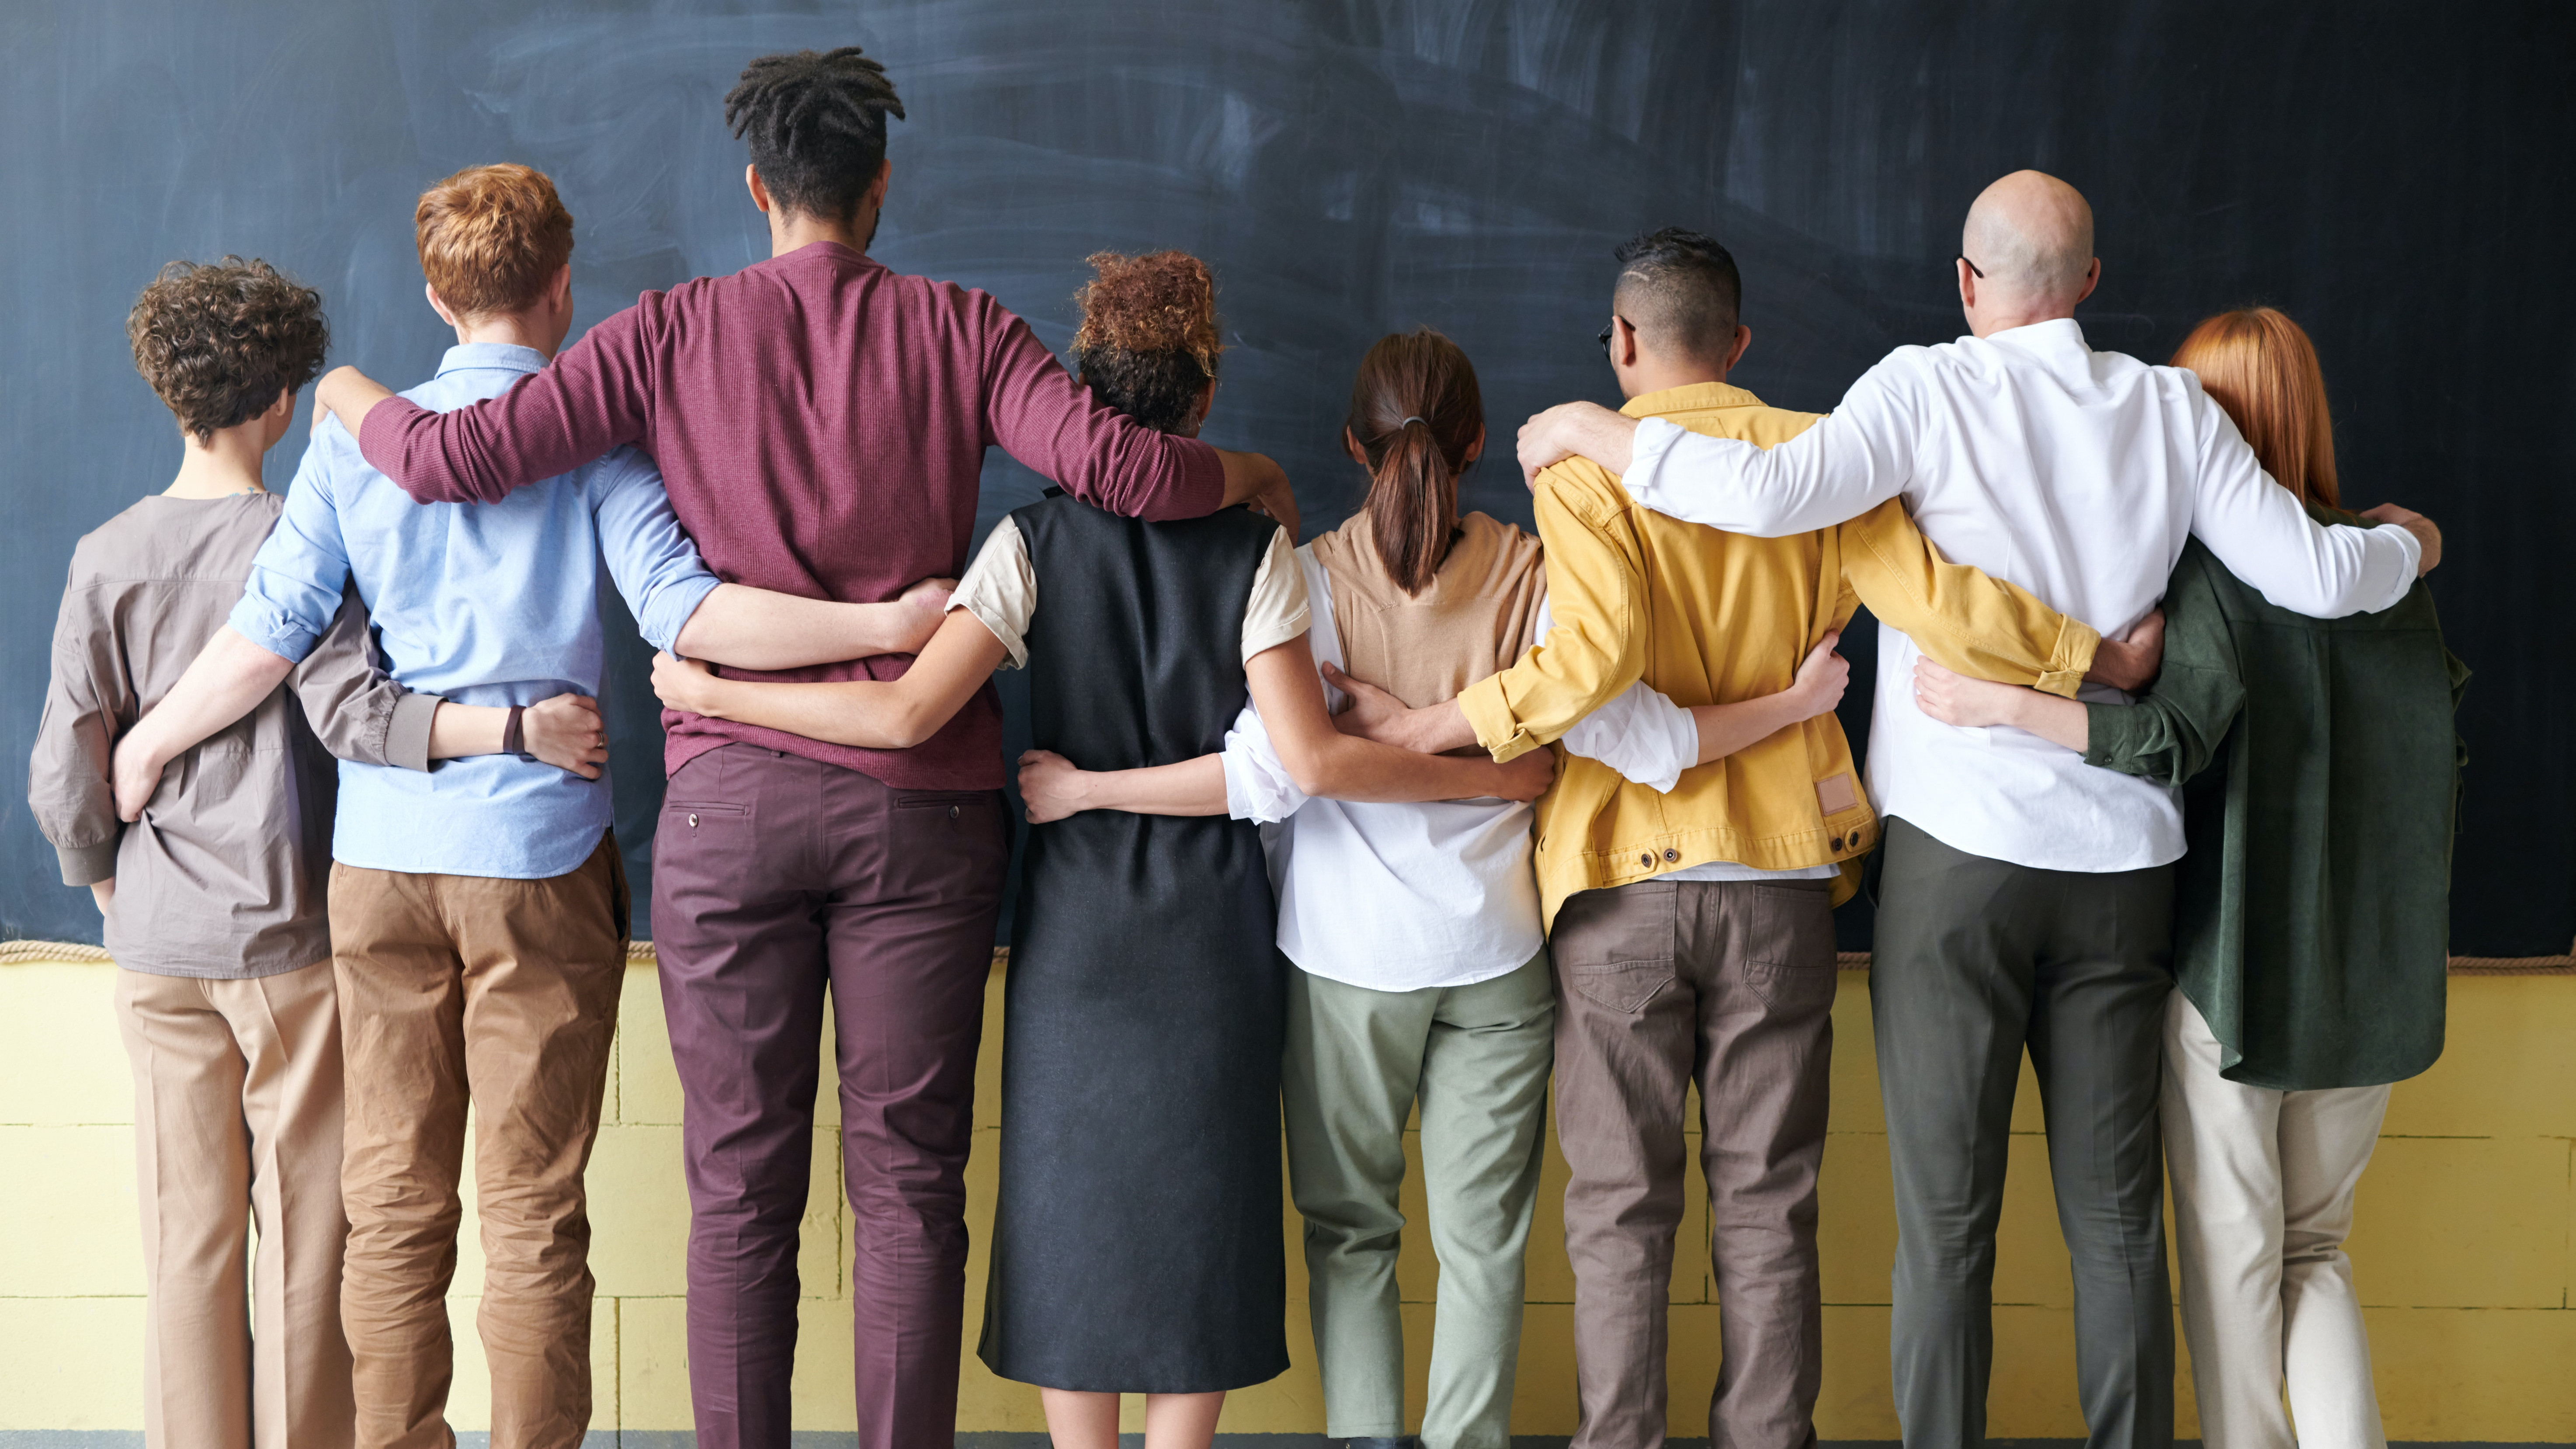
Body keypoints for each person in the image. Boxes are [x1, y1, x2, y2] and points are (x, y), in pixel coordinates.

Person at [308, 53, 1298, 1449]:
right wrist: (1249, 477)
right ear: (878, 189)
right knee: (908, 1187)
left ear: (758, 190)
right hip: (922, 819)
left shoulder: (667, 332)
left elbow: (457, 461)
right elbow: (1125, 473)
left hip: (728, 810)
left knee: (737, 1190)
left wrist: (349, 388)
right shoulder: (962, 329)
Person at [1511, 176, 2441, 1449]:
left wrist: (1598, 431)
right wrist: (2407, 546)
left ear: (1964, 282)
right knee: (2115, 1220)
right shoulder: (2170, 409)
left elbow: (1773, 495)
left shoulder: (1920, 386)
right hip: (2122, 863)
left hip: (1953, 865)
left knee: (1945, 1219)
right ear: (2091, 286)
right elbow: (2320, 574)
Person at [649, 252, 1550, 1449]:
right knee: (1203, 1218)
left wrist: (714, 692)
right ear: (1204, 397)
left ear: (1075, 394)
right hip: (1212, 934)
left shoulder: (1026, 545)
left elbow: (904, 714)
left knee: (1065, 1213)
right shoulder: (1259, 553)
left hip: (1076, 934)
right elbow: (1295, 762)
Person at [108, 167, 938, 1449]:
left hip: (380, 861)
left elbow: (266, 636)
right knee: (534, 1205)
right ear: (563, 287)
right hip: (538, 858)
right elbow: (684, 610)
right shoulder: (597, 441)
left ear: (438, 296)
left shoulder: (348, 446)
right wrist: (886, 625)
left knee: (390, 1204)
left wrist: (147, 744)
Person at [1321, 228, 2150, 1449]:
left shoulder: (1582, 475)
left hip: (1617, 882)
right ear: (1740, 346)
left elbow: (1589, 663)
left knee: (1617, 1211)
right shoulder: (1821, 458)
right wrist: (2086, 658)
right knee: (1769, 1204)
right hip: (1777, 872)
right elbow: (1935, 600)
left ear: (1620, 342)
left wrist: (1443, 724)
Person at [27, 257, 589, 1449]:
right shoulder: (303, 533)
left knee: (186, 1237)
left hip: (156, 943)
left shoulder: (103, 553)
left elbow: (64, 767)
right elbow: (353, 713)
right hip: (285, 942)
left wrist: (111, 878)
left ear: (166, 391)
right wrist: (505, 730)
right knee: (309, 1234)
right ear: (285, 398)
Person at [1911, 306, 2464, 1449]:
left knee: (2232, 1260)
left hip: (2235, 982)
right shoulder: (2388, 579)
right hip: (2372, 985)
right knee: (2317, 1250)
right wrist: (2412, 540)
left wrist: (2003, 702)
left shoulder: (2211, 580)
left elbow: (2169, 738)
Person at [1019, 324, 1558, 1449]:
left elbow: (1273, 771)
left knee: (1351, 1233)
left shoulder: (1302, 576)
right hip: (1502, 947)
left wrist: (1386, 732)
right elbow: (1557, 749)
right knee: (1485, 1242)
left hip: (1346, 955)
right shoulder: (1531, 569)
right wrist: (1492, 770)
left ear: (1351, 448)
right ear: (1474, 444)